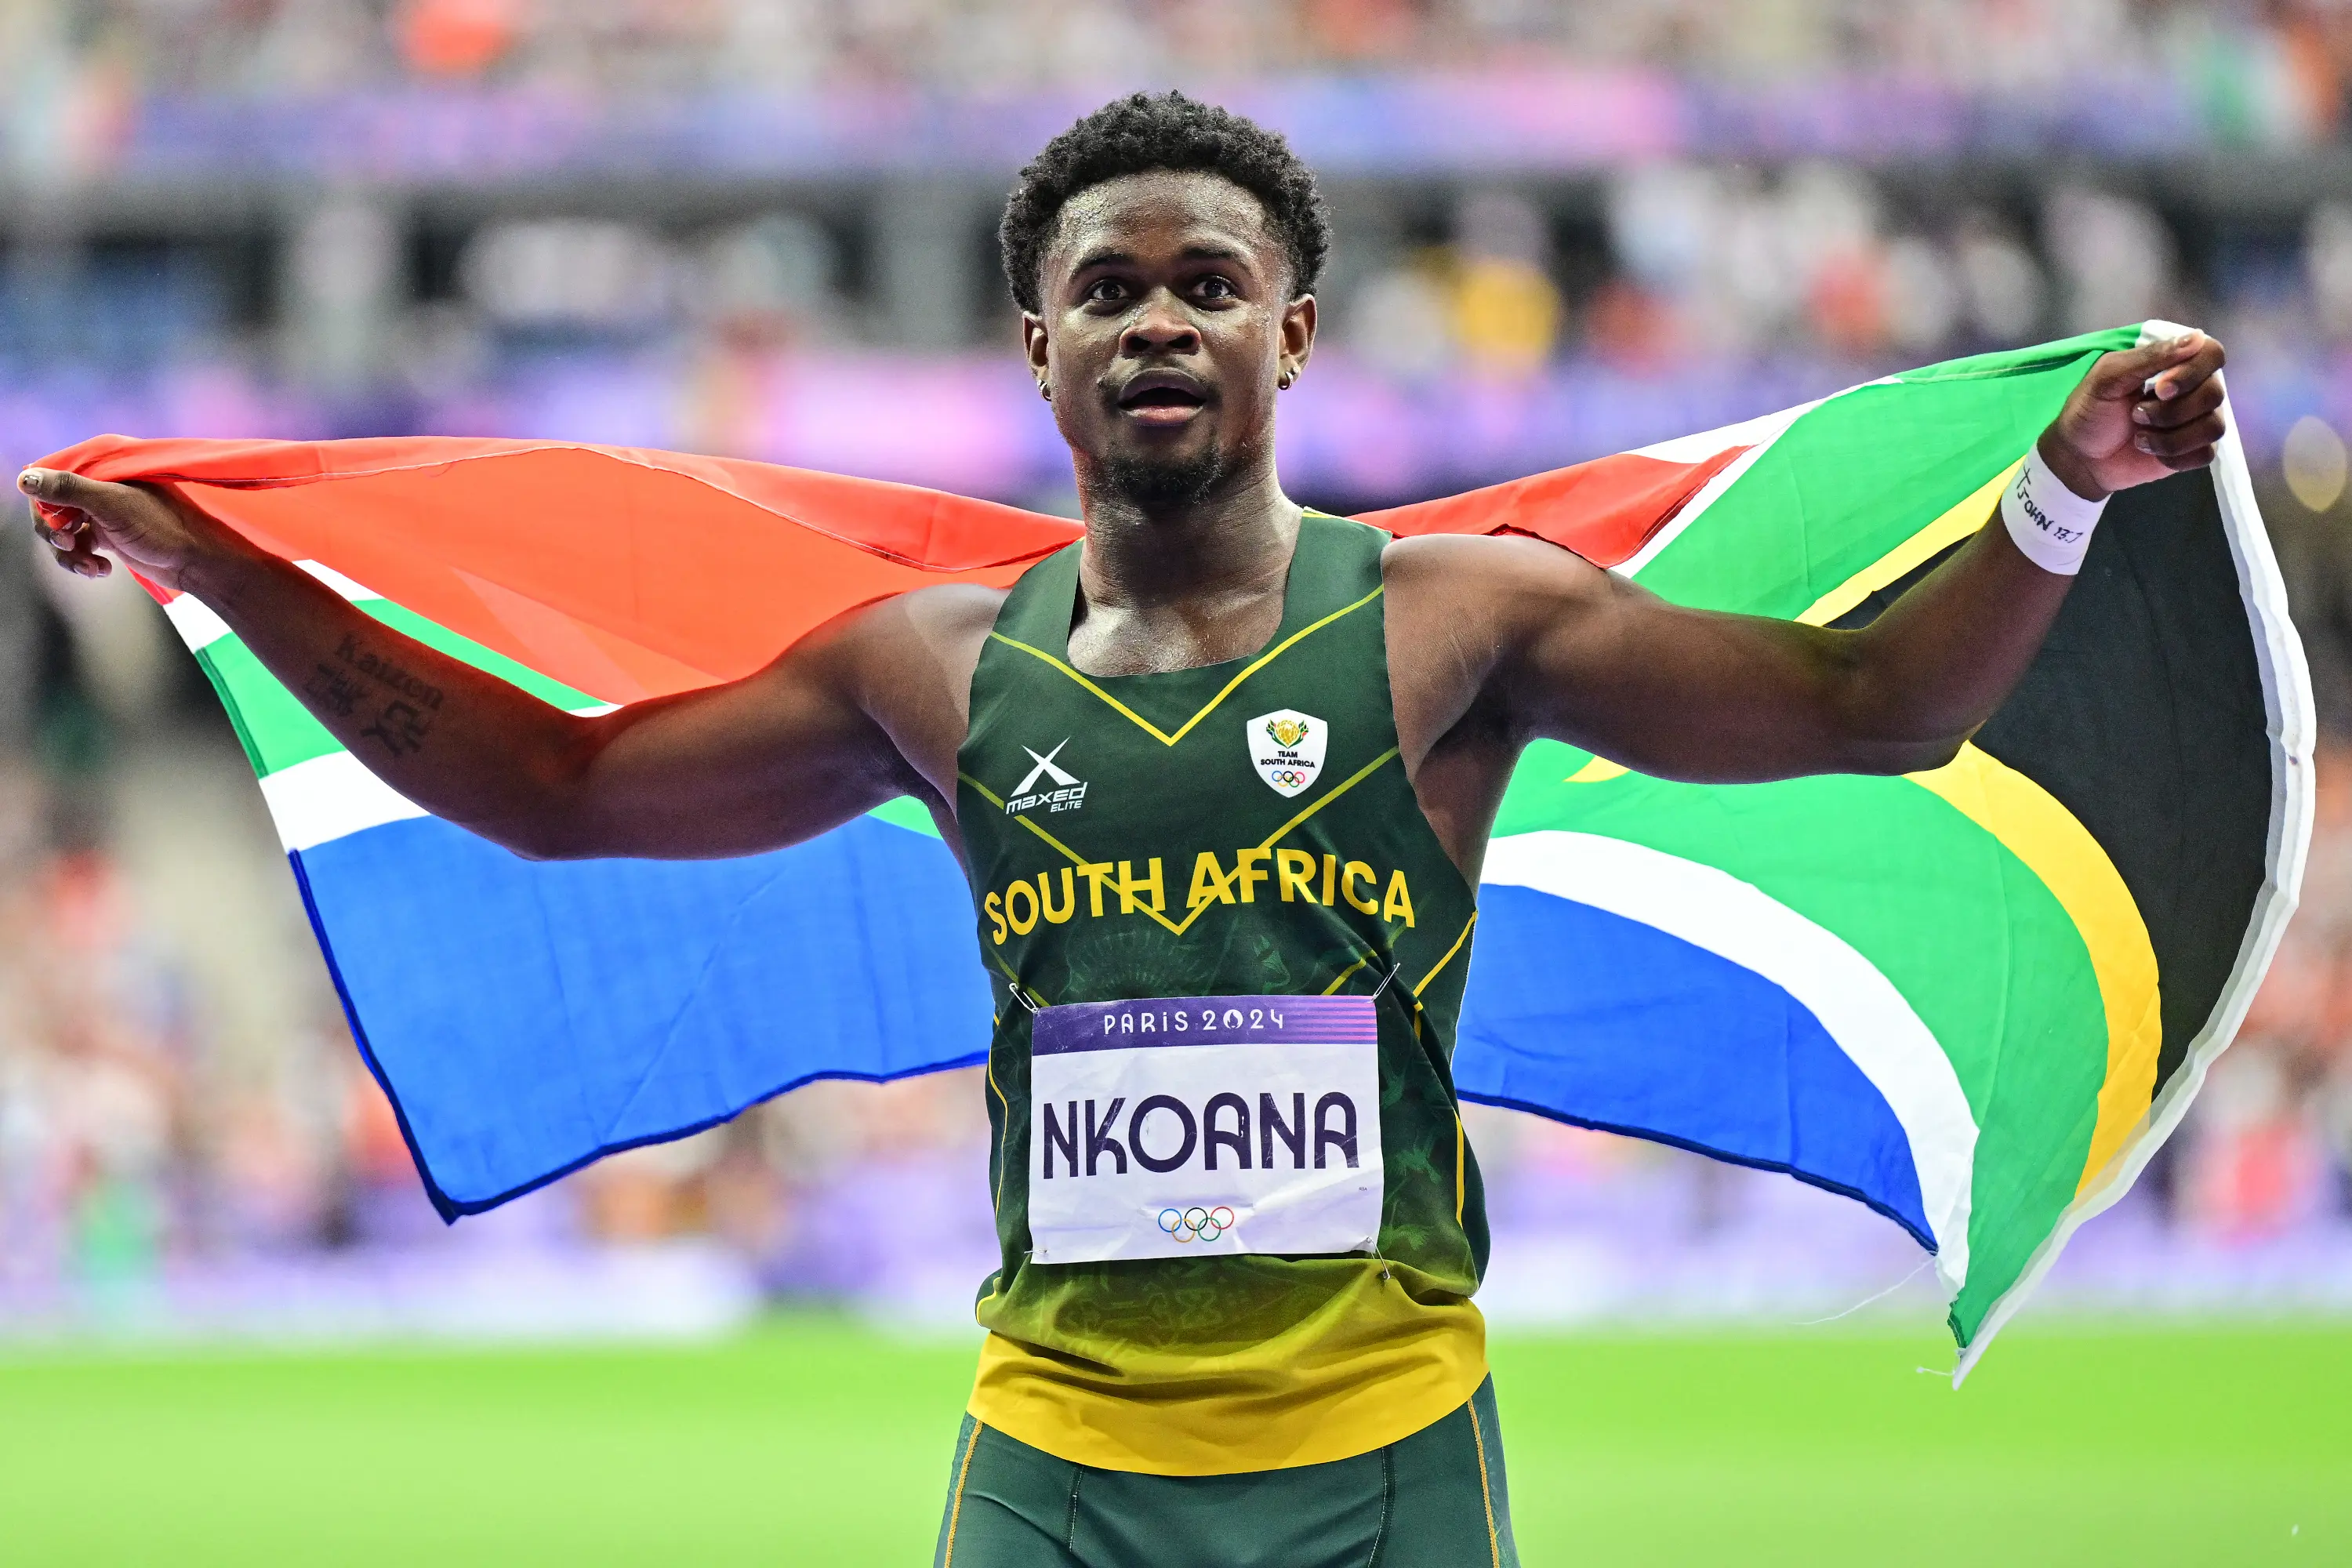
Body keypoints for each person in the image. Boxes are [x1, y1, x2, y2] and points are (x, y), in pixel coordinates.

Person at [19, 92, 2227, 1568]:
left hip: (1389, 1468)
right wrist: (235, 575)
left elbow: (1868, 707)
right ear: (1037, 348)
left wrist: (2065, 494)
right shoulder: (930, 673)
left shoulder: (1458, 629)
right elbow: (550, 788)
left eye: (1203, 284)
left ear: (1293, 330)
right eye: (1108, 290)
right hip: (1052, 1476)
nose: (1157, 319)